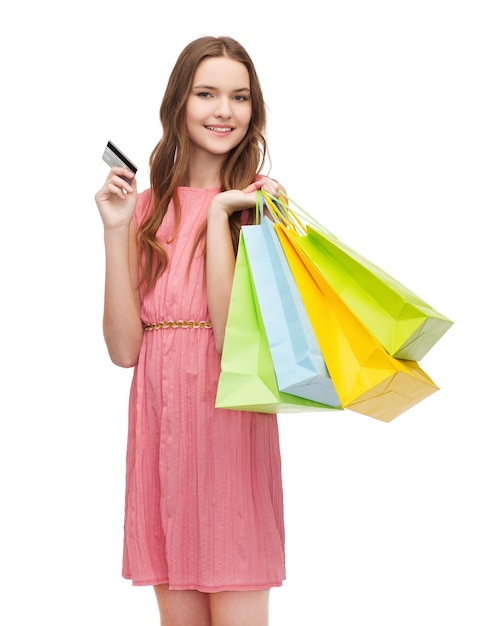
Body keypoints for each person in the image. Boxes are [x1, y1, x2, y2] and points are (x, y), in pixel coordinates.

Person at [95, 36, 286, 626]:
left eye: (239, 97)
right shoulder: (146, 209)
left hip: (228, 429)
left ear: (254, 112)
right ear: (179, 102)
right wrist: (116, 230)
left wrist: (225, 213)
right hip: (161, 433)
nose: (223, 110)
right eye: (207, 93)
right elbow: (125, 348)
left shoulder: (260, 208)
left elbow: (233, 342)